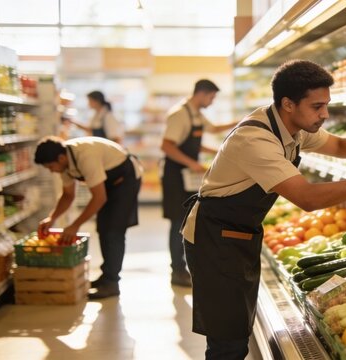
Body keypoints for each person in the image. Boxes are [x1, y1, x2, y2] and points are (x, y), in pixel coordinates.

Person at [180, 60, 346, 359]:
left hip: (238, 235)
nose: (325, 114)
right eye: (317, 106)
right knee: (228, 340)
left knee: (237, 327)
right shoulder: (255, 139)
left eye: (326, 105)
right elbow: (308, 198)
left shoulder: (293, 126)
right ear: (288, 104)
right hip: (215, 240)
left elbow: (340, 146)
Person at [35, 136, 143, 299]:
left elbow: (99, 198)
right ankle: (106, 276)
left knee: (114, 231)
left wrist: (75, 226)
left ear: (61, 158)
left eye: (51, 166)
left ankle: (112, 283)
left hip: (125, 179)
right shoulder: (65, 164)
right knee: (103, 228)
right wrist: (52, 218)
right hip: (107, 184)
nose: (51, 170)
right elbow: (67, 195)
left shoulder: (85, 155)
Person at [161, 79, 236, 287]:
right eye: (211, 97)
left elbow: (210, 131)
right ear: (202, 93)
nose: (212, 102)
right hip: (176, 176)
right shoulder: (179, 114)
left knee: (186, 221)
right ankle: (177, 270)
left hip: (187, 177)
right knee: (178, 222)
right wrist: (192, 163)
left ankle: (184, 267)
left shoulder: (195, 114)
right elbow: (167, 146)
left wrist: (240, 123)